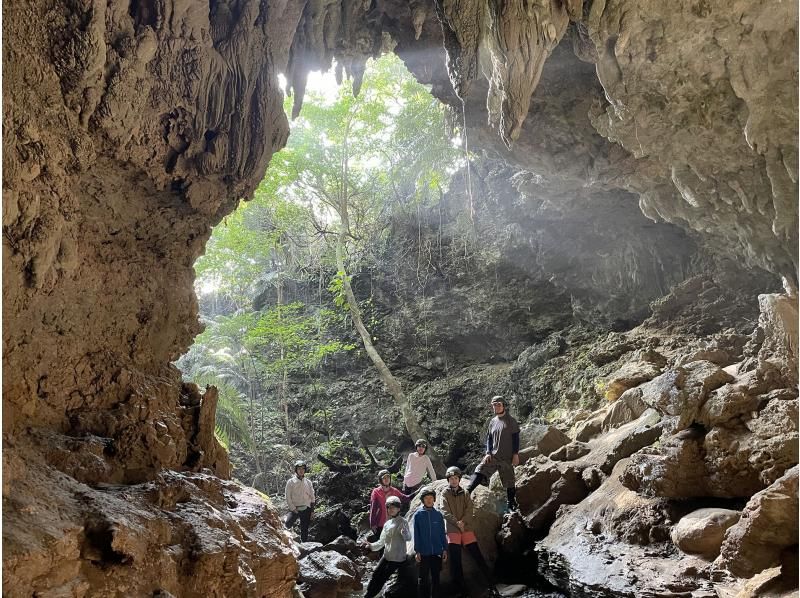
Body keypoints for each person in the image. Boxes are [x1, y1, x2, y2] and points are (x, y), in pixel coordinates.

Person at [441, 466, 500, 598]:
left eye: (456, 478)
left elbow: (470, 509)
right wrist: (457, 522)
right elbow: (443, 510)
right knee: (456, 562)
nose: (454, 481)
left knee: (478, 556)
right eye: (451, 479)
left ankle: (492, 585)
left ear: (459, 479)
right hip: (453, 530)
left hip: (466, 528)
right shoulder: (445, 493)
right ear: (448, 480)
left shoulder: (465, 493)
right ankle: (463, 591)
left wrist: (463, 522)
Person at [466, 396, 520, 511]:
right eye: (494, 405)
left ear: (503, 405)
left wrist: (515, 454)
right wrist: (488, 452)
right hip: (494, 456)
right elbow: (489, 438)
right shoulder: (492, 421)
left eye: (498, 404)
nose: (496, 407)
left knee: (509, 481)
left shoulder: (511, 421)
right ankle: (467, 492)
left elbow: (516, 438)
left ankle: (510, 504)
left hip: (507, 457)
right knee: (480, 469)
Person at [362, 495, 413, 598]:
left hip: (397, 558)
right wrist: (370, 546)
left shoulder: (403, 522)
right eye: (389, 507)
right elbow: (381, 542)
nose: (391, 509)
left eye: (393, 507)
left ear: (399, 508)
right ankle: (367, 595)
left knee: (382, 579)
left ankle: (370, 596)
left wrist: (404, 533)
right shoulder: (387, 524)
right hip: (387, 556)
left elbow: (408, 538)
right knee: (376, 574)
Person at [413, 486, 448, 598]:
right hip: (423, 552)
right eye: (426, 498)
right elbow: (416, 534)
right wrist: (417, 550)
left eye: (431, 497)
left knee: (436, 578)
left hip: (437, 552)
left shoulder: (438, 515)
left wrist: (445, 549)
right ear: (423, 500)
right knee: (422, 578)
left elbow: (443, 533)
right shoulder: (418, 515)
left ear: (434, 499)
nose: (429, 500)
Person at [369, 469, 413, 540]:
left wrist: (418, 492)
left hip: (393, 523)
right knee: (381, 546)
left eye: (388, 477)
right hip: (380, 524)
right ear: (381, 480)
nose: (386, 479)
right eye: (384, 478)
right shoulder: (376, 492)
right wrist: (372, 524)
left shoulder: (394, 491)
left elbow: (405, 498)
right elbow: (373, 508)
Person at [284, 459, 315, 542]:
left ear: (305, 470)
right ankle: (286, 542)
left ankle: (304, 548)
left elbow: (312, 497)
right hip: (295, 508)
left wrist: (312, 511)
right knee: (287, 524)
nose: (301, 471)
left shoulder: (308, 482)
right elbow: (287, 497)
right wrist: (293, 509)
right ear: (296, 470)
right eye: (299, 469)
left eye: (303, 469)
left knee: (304, 529)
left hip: (306, 508)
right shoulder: (290, 482)